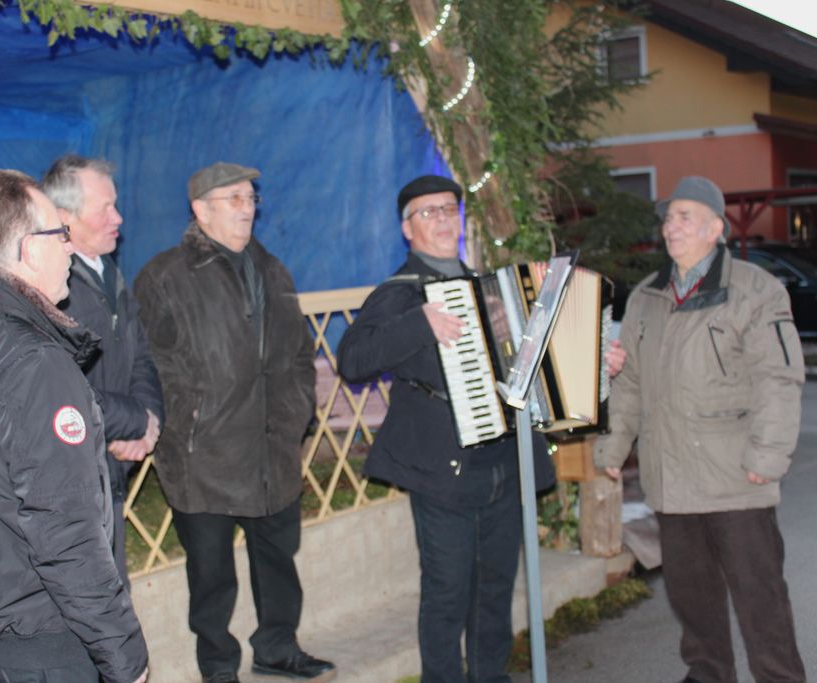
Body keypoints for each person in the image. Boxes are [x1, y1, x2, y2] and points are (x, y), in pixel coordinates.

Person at [0, 169, 149, 683]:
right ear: (28, 248)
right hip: (38, 639)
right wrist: (123, 653)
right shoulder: (34, 361)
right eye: (59, 234)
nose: (69, 248)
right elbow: (65, 528)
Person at [336, 174, 561, 683]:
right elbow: (352, 360)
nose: (442, 219)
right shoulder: (400, 294)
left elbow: (529, 370)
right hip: (444, 471)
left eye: (448, 210)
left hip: (503, 464)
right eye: (428, 212)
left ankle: (490, 676)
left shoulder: (491, 286)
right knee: (447, 595)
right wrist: (419, 323)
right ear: (407, 228)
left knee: (495, 590)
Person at [594, 176, 806, 683]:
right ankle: (709, 675)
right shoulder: (647, 296)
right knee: (693, 601)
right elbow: (631, 382)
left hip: (735, 477)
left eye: (684, 217)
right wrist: (613, 447)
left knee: (760, 600)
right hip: (671, 480)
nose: (672, 226)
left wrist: (768, 455)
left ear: (716, 228)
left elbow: (778, 377)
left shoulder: (755, 290)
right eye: (668, 218)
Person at [133, 162, 334, 683]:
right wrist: (187, 423)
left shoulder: (273, 270)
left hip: (271, 448)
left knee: (278, 560)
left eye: (251, 198)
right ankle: (218, 668)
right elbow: (150, 365)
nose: (247, 209)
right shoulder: (166, 275)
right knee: (211, 575)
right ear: (201, 211)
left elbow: (298, 355)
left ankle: (277, 648)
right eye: (234, 199)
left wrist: (293, 415)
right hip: (204, 455)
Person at [42, 155, 163, 587]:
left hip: (110, 463)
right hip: (72, 471)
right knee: (92, 596)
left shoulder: (107, 272)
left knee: (112, 589)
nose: (119, 218)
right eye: (105, 208)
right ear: (64, 217)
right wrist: (129, 423)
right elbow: (59, 387)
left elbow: (141, 355)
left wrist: (147, 420)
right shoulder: (52, 287)